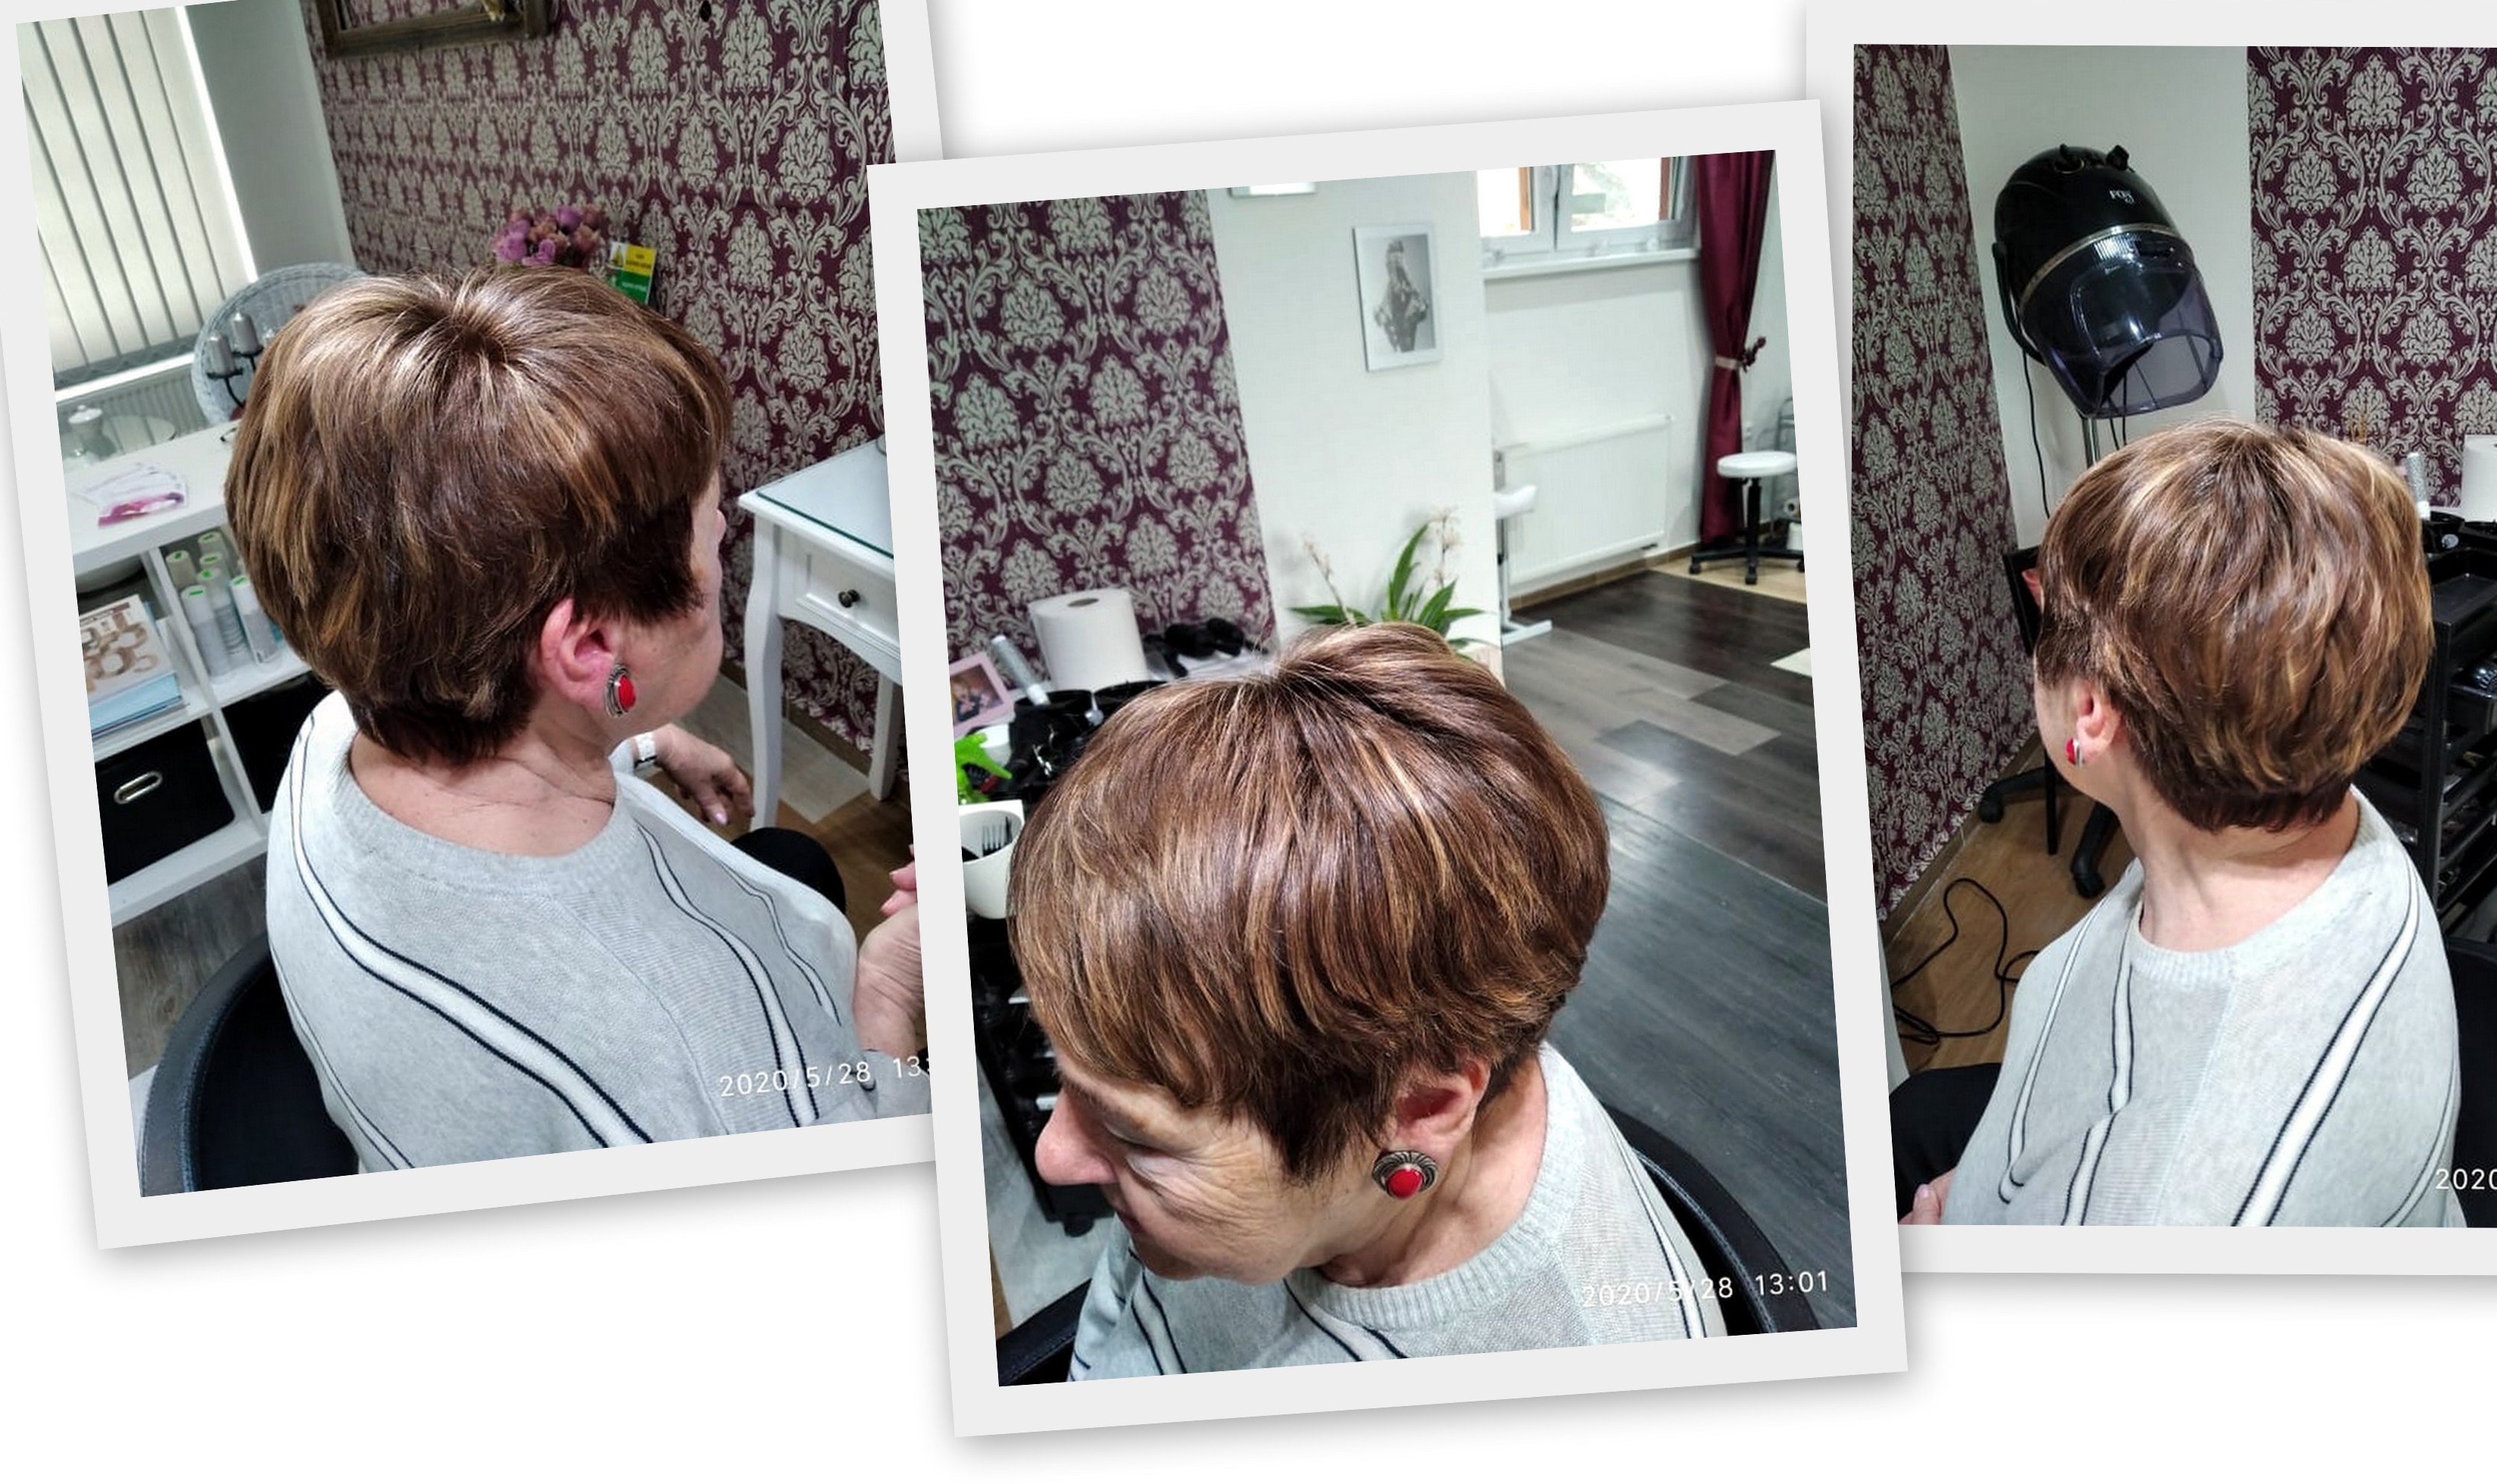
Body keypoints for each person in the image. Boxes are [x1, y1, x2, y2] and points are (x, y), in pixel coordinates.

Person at [226, 267, 925, 1171]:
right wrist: (891, 992)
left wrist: (648, 736)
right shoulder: (701, 1069)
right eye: (713, 530)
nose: (722, 547)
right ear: (591, 646)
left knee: (791, 856)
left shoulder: (335, 728)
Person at [1008, 623, 1724, 1375]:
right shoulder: (1223, 1071)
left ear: (1418, 1111)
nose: (1054, 1156)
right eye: (1067, 1077)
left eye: (1136, 1136)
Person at [1893, 419, 2462, 1227]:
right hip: (2029, 1139)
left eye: (2047, 620)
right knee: (1914, 1114)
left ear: (2090, 712)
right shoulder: (2304, 790)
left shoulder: (2163, 1207)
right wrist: (1989, 1179)